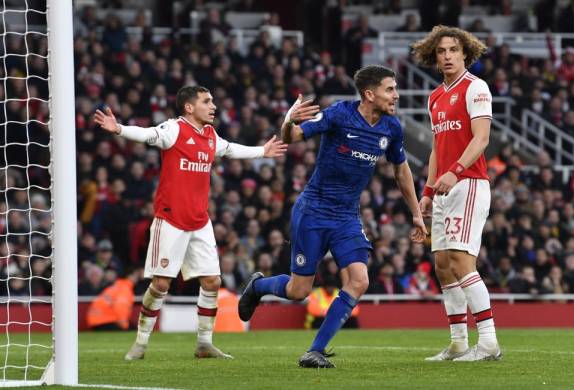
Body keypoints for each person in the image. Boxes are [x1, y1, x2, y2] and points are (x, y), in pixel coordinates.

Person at [238, 65, 427, 368]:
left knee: (359, 280)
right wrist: (289, 121)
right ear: (369, 93)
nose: (397, 95)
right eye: (390, 89)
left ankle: (315, 350)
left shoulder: (391, 128)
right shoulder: (339, 114)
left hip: (346, 217)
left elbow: (401, 170)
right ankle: (259, 287)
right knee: (298, 291)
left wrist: (416, 213)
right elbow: (294, 136)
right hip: (313, 211)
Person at [93, 85, 289, 360]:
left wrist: (262, 151)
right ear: (188, 107)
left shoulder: (209, 135)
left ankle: (204, 343)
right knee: (161, 285)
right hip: (171, 219)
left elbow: (230, 149)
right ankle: (140, 342)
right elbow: (149, 135)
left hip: (199, 221)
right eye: (207, 102)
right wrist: (119, 129)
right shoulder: (174, 129)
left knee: (212, 281)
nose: (213, 107)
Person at [412, 25, 502, 361]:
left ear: (465, 53)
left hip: (469, 184)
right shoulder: (435, 97)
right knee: (442, 264)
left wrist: (455, 172)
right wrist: (428, 190)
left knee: (462, 262)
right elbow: (437, 148)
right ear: (434, 57)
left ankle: (489, 342)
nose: (447, 56)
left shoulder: (476, 88)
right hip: (445, 186)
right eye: (441, 51)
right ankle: (458, 342)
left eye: (453, 50)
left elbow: (481, 139)